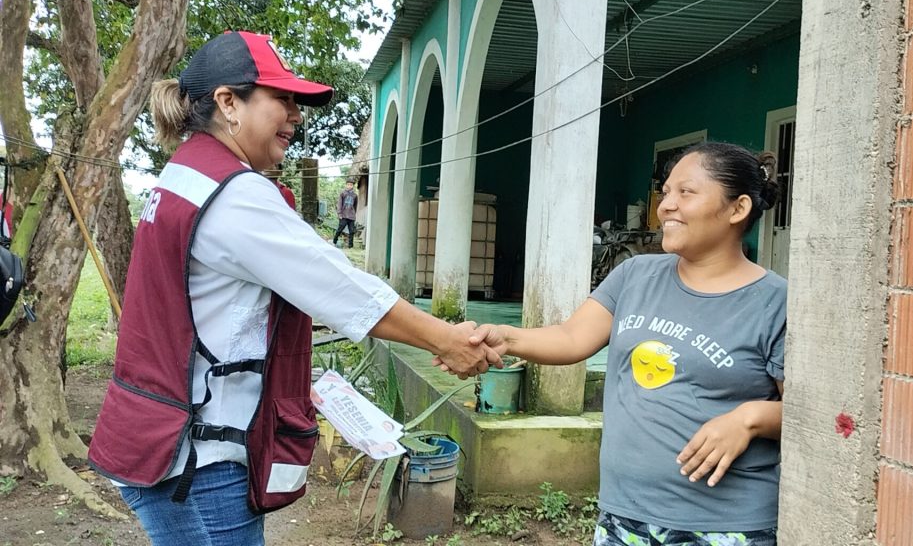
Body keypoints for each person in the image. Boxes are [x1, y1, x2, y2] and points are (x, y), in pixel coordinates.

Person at [87, 31, 501, 546]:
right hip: (201, 464)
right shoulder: (235, 195)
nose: (296, 114)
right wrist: (446, 340)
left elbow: (212, 316)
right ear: (227, 103)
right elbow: (340, 287)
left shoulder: (184, 176)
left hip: (161, 440)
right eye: (281, 99)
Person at [451, 142, 785, 546]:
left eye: (686, 192)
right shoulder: (635, 275)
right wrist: (506, 337)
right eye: (666, 192)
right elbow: (573, 337)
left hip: (727, 526)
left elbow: (806, 416)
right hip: (624, 516)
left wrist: (748, 419)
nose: (666, 206)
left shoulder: (775, 303)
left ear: (738, 208)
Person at [334, 178, 358, 247]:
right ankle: (335, 240)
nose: (349, 186)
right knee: (340, 229)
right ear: (346, 185)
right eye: (348, 184)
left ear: (353, 186)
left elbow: (355, 206)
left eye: (351, 185)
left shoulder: (355, 195)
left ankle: (350, 246)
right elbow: (339, 204)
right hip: (343, 215)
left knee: (351, 231)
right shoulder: (343, 193)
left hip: (351, 216)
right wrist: (339, 213)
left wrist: (354, 214)